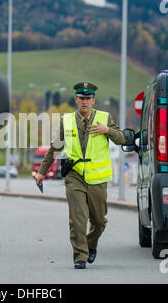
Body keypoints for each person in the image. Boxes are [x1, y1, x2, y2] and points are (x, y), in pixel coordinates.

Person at [34, 82, 126, 269]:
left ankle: (91, 245)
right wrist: (42, 172)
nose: (84, 102)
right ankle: (80, 257)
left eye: (88, 98)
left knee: (99, 222)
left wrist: (107, 131)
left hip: (98, 178)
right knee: (78, 219)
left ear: (94, 100)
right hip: (74, 176)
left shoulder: (104, 118)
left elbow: (122, 138)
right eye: (81, 98)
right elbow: (54, 148)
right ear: (76, 99)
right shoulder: (66, 121)